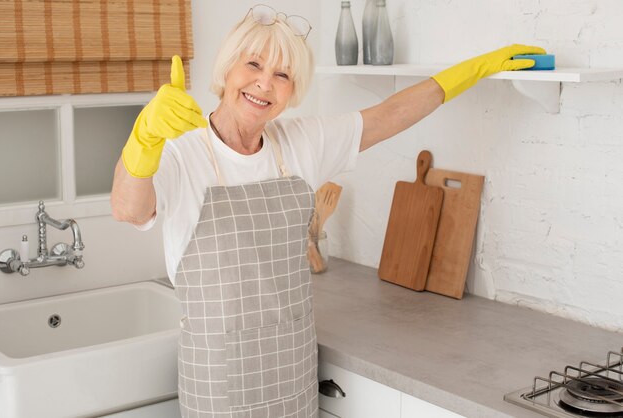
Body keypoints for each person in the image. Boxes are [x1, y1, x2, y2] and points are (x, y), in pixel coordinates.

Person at [111, 4, 544, 417]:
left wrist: (479, 69)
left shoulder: (300, 143)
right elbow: (129, 209)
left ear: (293, 91)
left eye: (283, 74)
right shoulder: (180, 152)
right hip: (218, 378)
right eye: (254, 65)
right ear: (226, 68)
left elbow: (390, 115)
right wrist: (144, 139)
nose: (265, 84)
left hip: (292, 368)